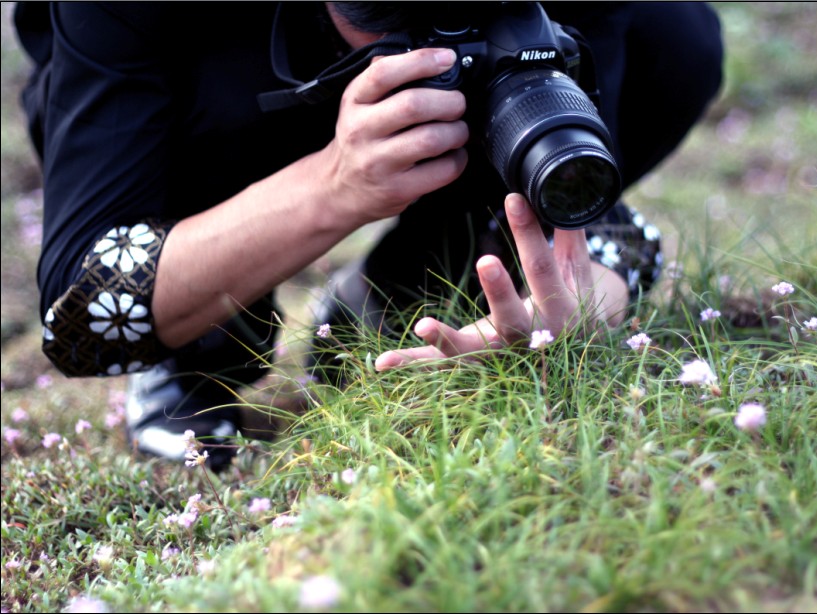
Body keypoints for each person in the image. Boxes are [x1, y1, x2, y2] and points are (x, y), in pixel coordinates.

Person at [14, 2, 723, 468]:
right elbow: (81, 312)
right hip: (212, 72)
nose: (433, 27)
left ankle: (400, 298)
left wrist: (595, 282)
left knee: (674, 38)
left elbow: (590, 215)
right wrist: (334, 184)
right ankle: (199, 351)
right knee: (200, 103)